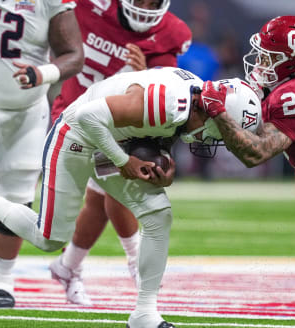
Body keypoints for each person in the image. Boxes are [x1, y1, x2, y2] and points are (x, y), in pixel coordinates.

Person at [0, 66, 261, 328]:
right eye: (221, 128)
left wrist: (165, 166)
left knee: (157, 213)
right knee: (48, 239)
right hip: (75, 136)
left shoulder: (196, 99)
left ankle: (144, 315)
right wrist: (123, 161)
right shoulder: (166, 103)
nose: (218, 136)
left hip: (111, 141)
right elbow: (88, 117)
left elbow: (163, 132)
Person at [49, 0, 192, 306]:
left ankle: (68, 267)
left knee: (104, 194)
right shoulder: (87, 6)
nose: (143, 5)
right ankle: (134, 261)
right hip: (75, 113)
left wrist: (145, 77)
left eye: (151, 1)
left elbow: (166, 86)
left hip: (119, 121)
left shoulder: (171, 31)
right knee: (115, 184)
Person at [0, 0, 84, 308]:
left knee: (16, 198)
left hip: (26, 113)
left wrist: (43, 73)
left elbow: (74, 55)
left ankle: (2, 281)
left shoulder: (51, 2)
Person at [200, 16, 295, 225]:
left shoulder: (293, 97)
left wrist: (218, 111)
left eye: (269, 58)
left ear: (292, 64)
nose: (259, 63)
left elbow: (256, 154)